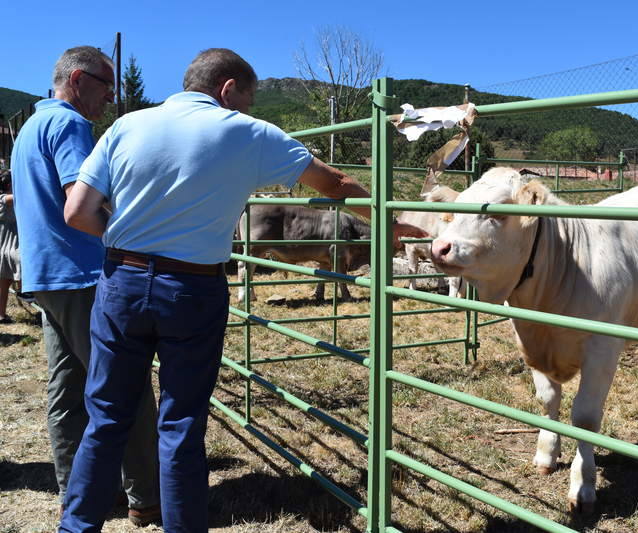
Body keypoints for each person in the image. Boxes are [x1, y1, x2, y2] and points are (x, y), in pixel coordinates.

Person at [58, 47, 426, 532]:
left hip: (120, 282)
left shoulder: (127, 126)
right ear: (228, 89)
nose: (249, 111)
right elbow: (334, 182)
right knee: (181, 424)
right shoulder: (247, 133)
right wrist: (392, 224)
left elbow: (78, 212)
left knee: (105, 417)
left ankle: (76, 526)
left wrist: (130, 243)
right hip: (191, 289)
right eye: (248, 101)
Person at [9, 46, 161, 526]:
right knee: (126, 386)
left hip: (46, 276)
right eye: (105, 85)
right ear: (78, 79)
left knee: (68, 390)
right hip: (81, 273)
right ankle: (146, 498)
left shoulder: (31, 127)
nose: (110, 97)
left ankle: (80, 493)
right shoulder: (70, 125)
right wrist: (130, 238)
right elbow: (81, 203)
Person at [0, 168, 20, 323]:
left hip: (8, 246)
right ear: (8, 185)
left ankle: (1, 315)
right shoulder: (3, 199)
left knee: (4, 282)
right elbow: (18, 196)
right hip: (7, 247)